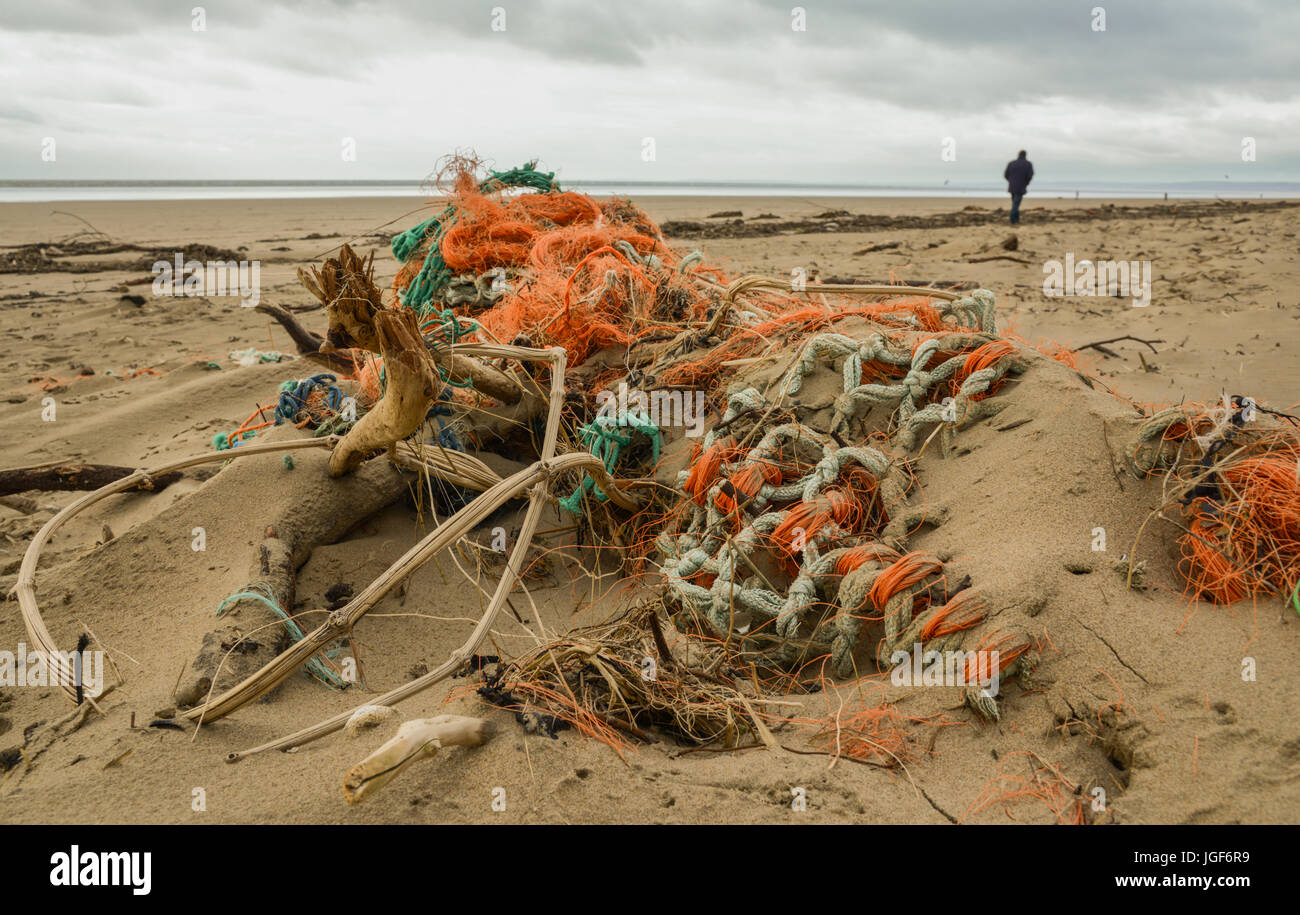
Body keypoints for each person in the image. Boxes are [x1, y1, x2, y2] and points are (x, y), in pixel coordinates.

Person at [1003, 150, 1033, 225]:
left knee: (1015, 203)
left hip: (1012, 186)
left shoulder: (1012, 163)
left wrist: (1011, 181)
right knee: (1016, 204)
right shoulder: (1028, 164)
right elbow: (1030, 175)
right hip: (1021, 187)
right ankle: (1013, 219)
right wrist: (1026, 183)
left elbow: (1006, 174)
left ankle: (1016, 219)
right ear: (1025, 155)